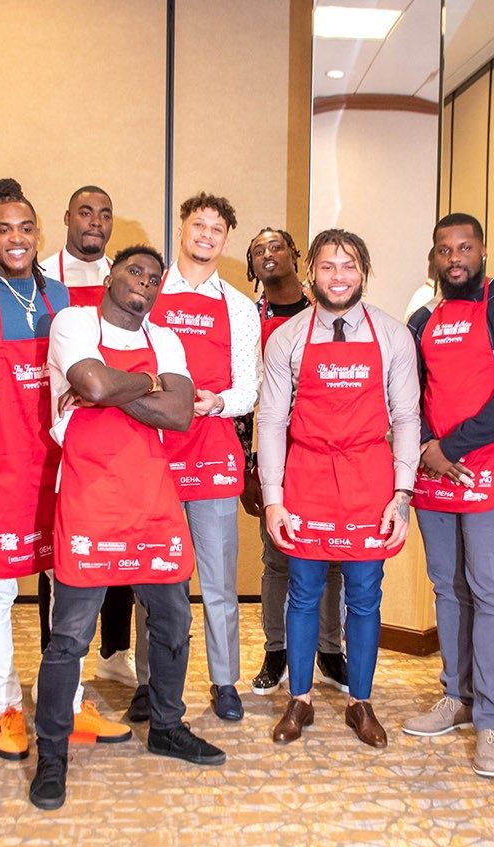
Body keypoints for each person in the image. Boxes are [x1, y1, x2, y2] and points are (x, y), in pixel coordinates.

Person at [0, 178, 129, 762]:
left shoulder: (60, 301)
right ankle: (8, 707)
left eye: (24, 228)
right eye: (2, 229)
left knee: (66, 586)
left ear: (38, 233)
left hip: (58, 465)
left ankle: (64, 705)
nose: (15, 239)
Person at [30, 244, 226, 810]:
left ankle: (166, 725)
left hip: (150, 497)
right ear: (112, 274)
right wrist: (145, 385)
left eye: (153, 277)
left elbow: (181, 414)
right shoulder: (73, 321)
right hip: (89, 495)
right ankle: (52, 754)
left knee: (171, 620)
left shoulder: (166, 338)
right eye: (133, 270)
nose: (144, 281)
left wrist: (112, 388)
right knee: (68, 636)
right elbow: (88, 386)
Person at [258, 230, 421, 746]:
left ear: (363, 272)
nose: (338, 276)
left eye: (348, 266)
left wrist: (402, 493)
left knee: (366, 596)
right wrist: (273, 498)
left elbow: (408, 417)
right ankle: (299, 700)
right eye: (327, 266)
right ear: (312, 272)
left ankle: (361, 702)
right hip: (307, 474)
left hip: (369, 477)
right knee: (302, 593)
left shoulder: (394, 335)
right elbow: (271, 421)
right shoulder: (287, 338)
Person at [402, 213, 494, 779]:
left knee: (489, 590)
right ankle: (456, 697)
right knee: (448, 585)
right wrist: (426, 452)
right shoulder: (423, 317)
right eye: (444, 249)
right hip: (436, 471)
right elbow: (408, 391)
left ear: (482, 252)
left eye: (465, 247)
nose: (454, 257)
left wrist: (451, 446)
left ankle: (491, 720)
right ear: (434, 257)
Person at [133, 192, 259, 723]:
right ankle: (148, 681)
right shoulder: (147, 293)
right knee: (153, 578)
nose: (206, 235)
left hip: (212, 450)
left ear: (226, 239)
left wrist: (216, 403)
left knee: (218, 582)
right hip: (151, 455)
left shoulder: (239, 307)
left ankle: (224, 681)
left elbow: (249, 389)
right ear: (181, 228)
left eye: (216, 229)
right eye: (198, 225)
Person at [239, 227, 347, 697]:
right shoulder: (247, 317)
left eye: (275, 245)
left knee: (334, 559)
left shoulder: (325, 310)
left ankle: (330, 650)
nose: (267, 254)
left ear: (294, 255)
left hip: (327, 450)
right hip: (275, 451)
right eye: (257, 249)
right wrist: (250, 466)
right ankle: (276, 649)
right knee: (277, 558)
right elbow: (242, 396)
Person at [38, 184, 137, 688]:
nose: (95, 222)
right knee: (59, 553)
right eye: (85, 212)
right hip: (54, 428)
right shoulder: (41, 278)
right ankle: (54, 658)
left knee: (116, 541)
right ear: (67, 218)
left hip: (116, 429)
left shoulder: (121, 277)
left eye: (105, 213)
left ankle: (115, 650)